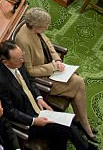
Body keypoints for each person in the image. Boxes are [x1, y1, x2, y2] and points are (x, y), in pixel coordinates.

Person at [0, 41, 90, 150]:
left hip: (36, 106)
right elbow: (9, 111)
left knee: (65, 124)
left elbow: (30, 82)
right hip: (27, 120)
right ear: (6, 62)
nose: (23, 60)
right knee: (66, 128)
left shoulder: (18, 63)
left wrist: (38, 97)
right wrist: (34, 121)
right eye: (19, 59)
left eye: (22, 56)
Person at [13, 8, 97, 141]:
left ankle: (82, 121)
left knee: (78, 81)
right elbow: (29, 70)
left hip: (52, 69)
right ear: (36, 26)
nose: (47, 28)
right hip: (42, 79)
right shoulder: (23, 40)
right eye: (45, 26)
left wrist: (57, 59)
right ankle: (83, 124)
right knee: (78, 83)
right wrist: (53, 67)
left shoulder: (34, 29)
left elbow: (48, 44)